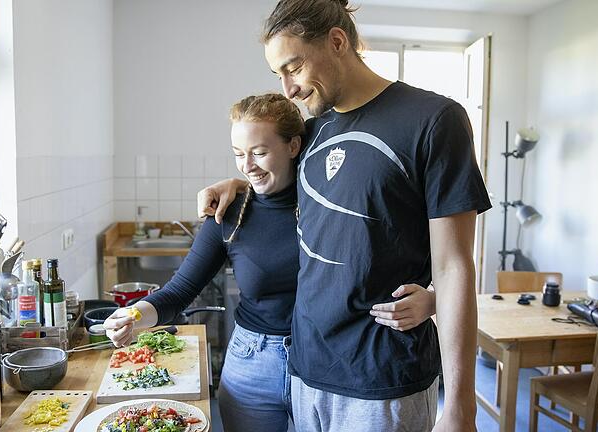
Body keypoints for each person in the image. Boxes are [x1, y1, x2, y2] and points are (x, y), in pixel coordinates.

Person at [198, 1, 492, 430]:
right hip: (306, 372)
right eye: (277, 74)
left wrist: (461, 407)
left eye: (294, 67)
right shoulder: (313, 133)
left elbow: (454, 265)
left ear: (338, 41)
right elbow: (275, 182)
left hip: (382, 379)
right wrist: (237, 184)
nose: (288, 89)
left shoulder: (433, 120)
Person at [103, 93, 436, 432]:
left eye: (259, 152)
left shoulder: (329, 202)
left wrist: (433, 296)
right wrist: (133, 316)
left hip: (332, 360)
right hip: (253, 364)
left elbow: (400, 250)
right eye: (238, 154)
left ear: (293, 146)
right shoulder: (229, 213)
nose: (247, 166)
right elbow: (181, 290)